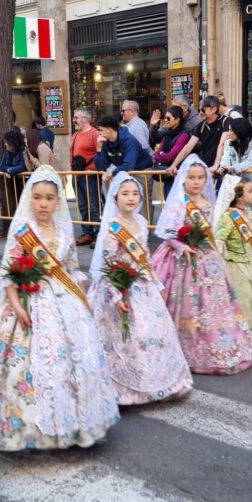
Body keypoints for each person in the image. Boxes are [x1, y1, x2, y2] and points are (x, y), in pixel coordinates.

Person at [0, 166, 119, 450]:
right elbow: (10, 274)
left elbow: (71, 267)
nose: (43, 203)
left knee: (72, 361)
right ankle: (27, 429)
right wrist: (17, 306)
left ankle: (75, 423)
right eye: (37, 197)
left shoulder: (64, 230)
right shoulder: (23, 232)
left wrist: (82, 301)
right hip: (27, 299)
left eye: (49, 198)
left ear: (58, 201)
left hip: (64, 301)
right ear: (29, 199)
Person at [88, 172, 192, 404]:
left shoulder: (141, 222)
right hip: (118, 284)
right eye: (125, 193)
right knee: (124, 336)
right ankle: (124, 384)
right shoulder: (113, 226)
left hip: (141, 284)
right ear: (115, 198)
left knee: (150, 331)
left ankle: (158, 379)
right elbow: (109, 260)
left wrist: (155, 281)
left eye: (135, 193)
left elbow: (144, 254)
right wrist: (117, 294)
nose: (131, 198)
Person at [151, 154, 252, 374]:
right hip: (183, 259)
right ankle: (186, 347)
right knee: (188, 302)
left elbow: (212, 231)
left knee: (216, 303)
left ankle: (220, 345)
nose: (196, 182)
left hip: (208, 258)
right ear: (183, 179)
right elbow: (168, 233)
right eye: (191, 178)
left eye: (200, 178)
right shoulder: (180, 202)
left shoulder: (208, 201)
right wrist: (181, 246)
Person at [212, 175, 252, 343]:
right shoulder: (228, 216)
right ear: (239, 196)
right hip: (236, 266)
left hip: (251, 263)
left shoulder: (247, 213)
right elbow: (219, 239)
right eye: (250, 191)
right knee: (244, 299)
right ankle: (244, 331)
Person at [169, 96, 225, 176]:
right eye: (199, 110)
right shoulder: (201, 126)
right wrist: (173, 165)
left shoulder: (225, 121)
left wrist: (216, 165)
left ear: (214, 109)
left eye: (203, 110)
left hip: (220, 170)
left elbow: (221, 144)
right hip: (206, 170)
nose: (200, 113)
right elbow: (187, 148)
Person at [94, 114, 152, 190]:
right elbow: (101, 167)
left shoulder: (129, 140)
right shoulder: (105, 142)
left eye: (101, 130)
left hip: (141, 171)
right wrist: (99, 149)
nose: (99, 133)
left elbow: (129, 165)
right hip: (123, 172)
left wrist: (112, 173)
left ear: (109, 129)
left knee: (143, 200)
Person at [70, 108, 101, 246]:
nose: (74, 120)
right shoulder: (75, 134)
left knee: (94, 206)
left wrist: (94, 170)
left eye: (76, 117)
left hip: (90, 176)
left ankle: (98, 233)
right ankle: (88, 233)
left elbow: (100, 155)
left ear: (85, 119)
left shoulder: (95, 134)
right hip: (77, 175)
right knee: (82, 206)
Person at [152, 106, 190, 197]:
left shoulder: (184, 135)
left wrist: (161, 154)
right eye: (165, 117)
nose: (165, 120)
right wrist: (161, 154)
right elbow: (156, 154)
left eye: (168, 118)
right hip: (169, 176)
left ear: (177, 120)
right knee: (168, 202)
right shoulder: (167, 134)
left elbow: (170, 157)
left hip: (179, 176)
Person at [220, 117, 252, 190]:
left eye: (231, 130)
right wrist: (224, 167)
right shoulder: (228, 143)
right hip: (236, 187)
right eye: (228, 130)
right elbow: (225, 159)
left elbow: (251, 163)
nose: (228, 134)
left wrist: (233, 168)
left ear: (239, 130)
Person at [0, 128, 27, 224]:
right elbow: (2, 166)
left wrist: (10, 170)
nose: (5, 144)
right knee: (17, 204)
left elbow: (22, 166)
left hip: (23, 182)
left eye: (7, 142)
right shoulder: (7, 152)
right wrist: (10, 170)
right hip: (14, 182)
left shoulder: (22, 150)